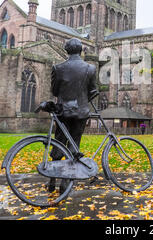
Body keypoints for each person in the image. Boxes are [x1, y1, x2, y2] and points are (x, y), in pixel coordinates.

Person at [48, 38, 98, 193]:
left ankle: (52, 180)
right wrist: (82, 100)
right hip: (81, 112)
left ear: (66, 50)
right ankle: (66, 182)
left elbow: (55, 91)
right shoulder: (90, 68)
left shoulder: (58, 68)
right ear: (81, 50)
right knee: (73, 145)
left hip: (63, 111)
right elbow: (94, 91)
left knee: (59, 142)